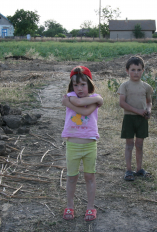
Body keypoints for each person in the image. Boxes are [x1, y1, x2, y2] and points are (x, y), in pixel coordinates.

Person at [61, 66, 103, 221]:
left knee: (89, 177)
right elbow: (82, 107)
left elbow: (85, 111)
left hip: (90, 145)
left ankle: (90, 208)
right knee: (72, 177)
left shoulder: (94, 97)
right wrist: (98, 100)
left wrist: (67, 103)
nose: (79, 88)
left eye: (83, 85)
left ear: (90, 84)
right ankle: (69, 206)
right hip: (73, 145)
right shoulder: (71, 96)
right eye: (75, 85)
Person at [117, 56, 153, 181]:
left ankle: (139, 169)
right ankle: (128, 170)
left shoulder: (146, 87)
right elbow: (122, 103)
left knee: (139, 144)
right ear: (127, 71)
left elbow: (149, 102)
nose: (136, 73)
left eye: (139, 69)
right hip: (129, 118)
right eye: (133, 70)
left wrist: (148, 110)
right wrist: (138, 111)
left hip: (142, 119)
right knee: (129, 144)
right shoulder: (125, 86)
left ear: (143, 70)